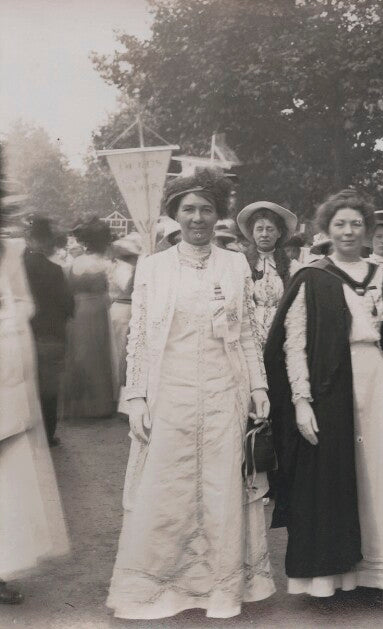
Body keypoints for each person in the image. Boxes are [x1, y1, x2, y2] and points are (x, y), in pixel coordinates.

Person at [106, 168, 275, 619]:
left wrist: (258, 385)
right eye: (188, 209)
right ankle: (161, 587)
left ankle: (221, 587)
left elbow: (247, 333)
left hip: (224, 391)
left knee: (221, 486)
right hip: (171, 391)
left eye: (206, 209)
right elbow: (139, 337)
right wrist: (136, 397)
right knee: (167, 485)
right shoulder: (153, 266)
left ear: (219, 215)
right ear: (174, 214)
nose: (197, 218)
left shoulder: (235, 265)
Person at [264, 189, 383, 597]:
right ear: (327, 229)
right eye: (340, 224)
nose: (348, 231)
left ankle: (374, 570)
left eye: (356, 224)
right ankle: (329, 576)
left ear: (368, 230)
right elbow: (293, 343)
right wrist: (301, 401)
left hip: (375, 380)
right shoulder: (312, 276)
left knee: (374, 472)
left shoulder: (381, 277)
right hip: (328, 386)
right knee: (329, 476)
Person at [1, 235, 69, 604]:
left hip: (5, 376)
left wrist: (7, 313)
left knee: (6, 480)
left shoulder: (7, 254)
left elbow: (24, 303)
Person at [22, 217, 74, 446]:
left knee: (22, 387)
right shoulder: (55, 270)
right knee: (48, 390)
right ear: (46, 242)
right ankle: (47, 434)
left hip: (23, 336)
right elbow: (68, 305)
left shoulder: (16, 270)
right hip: (51, 336)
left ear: (29, 239)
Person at [61, 218, 115, 419]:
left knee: (78, 354)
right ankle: (98, 405)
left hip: (77, 310)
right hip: (98, 309)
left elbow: (68, 289)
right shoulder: (105, 264)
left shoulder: (75, 262)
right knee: (98, 354)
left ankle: (78, 405)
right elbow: (111, 292)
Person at [237, 201, 301, 349]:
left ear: (279, 233)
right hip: (248, 334)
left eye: (270, 229)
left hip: (281, 332)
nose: (264, 234)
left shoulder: (292, 267)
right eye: (259, 229)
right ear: (252, 233)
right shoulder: (241, 264)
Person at [107, 232, 142, 406]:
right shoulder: (125, 269)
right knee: (122, 353)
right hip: (124, 310)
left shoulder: (126, 268)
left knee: (123, 354)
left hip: (123, 309)